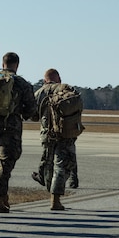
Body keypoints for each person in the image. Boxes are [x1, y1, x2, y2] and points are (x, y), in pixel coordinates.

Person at [0, 52, 38, 213]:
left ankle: (2, 194)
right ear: (17, 65)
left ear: (3, 63)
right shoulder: (21, 83)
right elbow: (30, 109)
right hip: (10, 127)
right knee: (6, 163)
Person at [34, 68, 79, 211]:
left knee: (48, 165)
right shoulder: (67, 89)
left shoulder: (40, 92)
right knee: (62, 166)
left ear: (45, 80)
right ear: (58, 78)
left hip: (47, 134)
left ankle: (48, 189)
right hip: (65, 133)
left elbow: (33, 115)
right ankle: (55, 199)